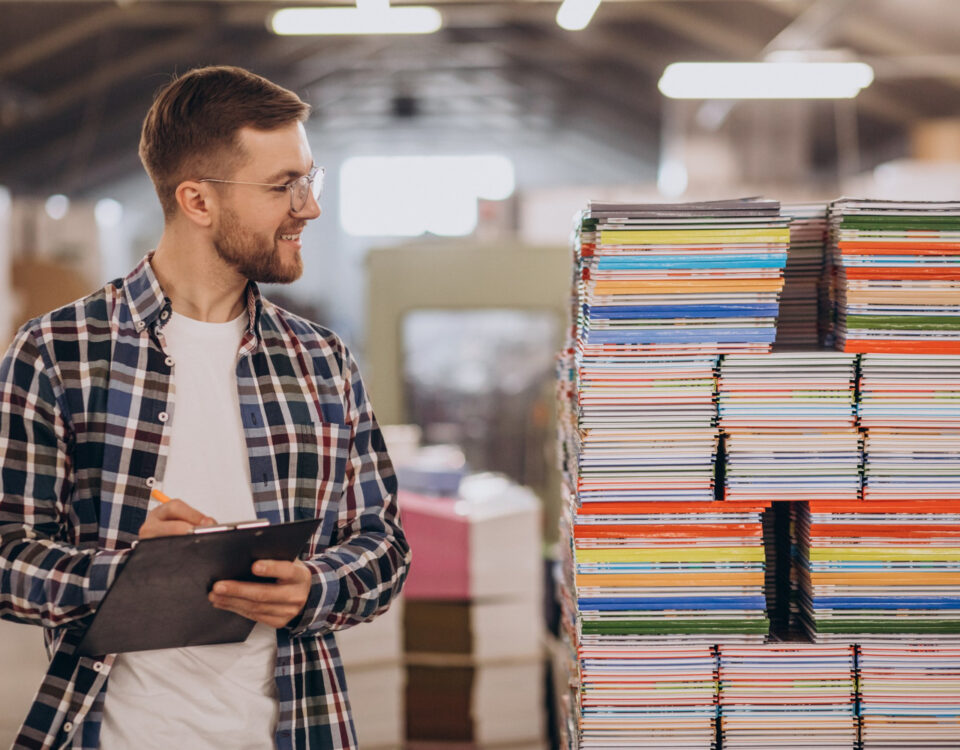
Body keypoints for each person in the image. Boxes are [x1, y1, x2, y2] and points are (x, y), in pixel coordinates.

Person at [0, 65, 410, 750]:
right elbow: (8, 557)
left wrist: (316, 587)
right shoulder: (56, 352)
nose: (308, 208)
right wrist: (126, 572)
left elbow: (384, 545)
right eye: (285, 186)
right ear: (196, 200)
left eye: (310, 180)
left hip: (296, 729)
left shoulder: (322, 361)